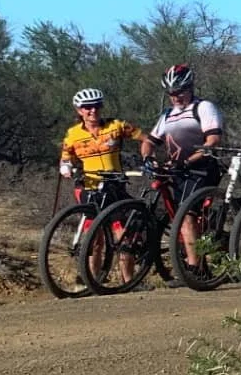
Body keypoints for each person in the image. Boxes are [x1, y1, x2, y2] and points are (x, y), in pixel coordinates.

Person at [143, 64, 226, 284]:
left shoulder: (204, 107)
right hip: (178, 170)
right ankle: (200, 262)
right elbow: (150, 141)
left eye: (180, 91)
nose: (175, 97)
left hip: (202, 168)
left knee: (186, 213)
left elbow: (213, 141)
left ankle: (193, 269)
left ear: (190, 87)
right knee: (177, 215)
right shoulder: (168, 115)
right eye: (171, 93)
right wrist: (147, 157)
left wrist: (189, 160)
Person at [59, 88, 142, 200]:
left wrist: (149, 158)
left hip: (115, 183)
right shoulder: (73, 134)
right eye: (88, 107)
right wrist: (66, 167)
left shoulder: (116, 125)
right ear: (79, 110)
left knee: (133, 213)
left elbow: (148, 140)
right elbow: (66, 158)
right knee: (93, 216)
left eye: (97, 106)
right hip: (89, 186)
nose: (93, 110)